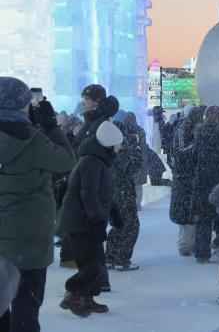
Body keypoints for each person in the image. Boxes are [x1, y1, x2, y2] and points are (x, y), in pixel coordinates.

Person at [0, 77, 76, 331]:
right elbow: (66, 161)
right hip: (28, 239)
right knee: (25, 310)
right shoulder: (31, 139)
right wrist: (51, 126)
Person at [56, 121, 124, 317]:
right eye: (119, 143)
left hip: (86, 220)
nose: (121, 146)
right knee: (94, 263)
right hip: (80, 221)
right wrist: (97, 221)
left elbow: (104, 194)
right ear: (110, 143)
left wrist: (114, 213)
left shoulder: (101, 160)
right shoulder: (92, 162)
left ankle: (86, 297)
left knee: (94, 262)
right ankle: (74, 295)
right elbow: (89, 195)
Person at [189, 106, 219, 263]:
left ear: (206, 116)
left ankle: (202, 254)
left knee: (203, 220)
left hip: (203, 181)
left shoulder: (201, 132)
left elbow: (195, 154)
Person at [105, 121, 141, 271]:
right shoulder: (123, 153)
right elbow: (133, 167)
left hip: (112, 193)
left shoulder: (105, 151)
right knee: (131, 226)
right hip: (123, 193)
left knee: (117, 225)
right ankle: (122, 259)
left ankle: (110, 257)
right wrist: (136, 150)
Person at [169, 106, 204, 256]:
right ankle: (184, 244)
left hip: (190, 177)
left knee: (192, 213)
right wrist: (196, 145)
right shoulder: (182, 131)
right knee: (185, 214)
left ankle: (192, 243)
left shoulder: (189, 130)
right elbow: (180, 152)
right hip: (184, 177)